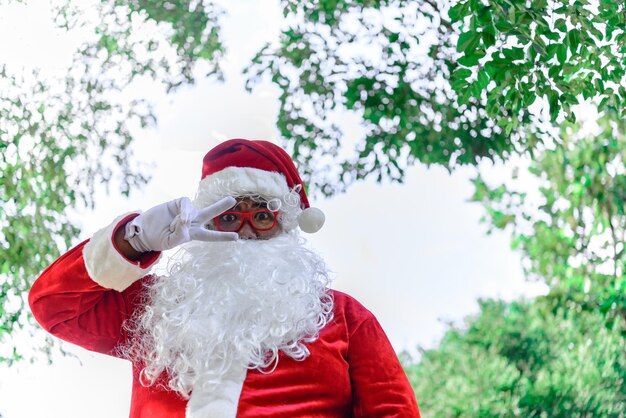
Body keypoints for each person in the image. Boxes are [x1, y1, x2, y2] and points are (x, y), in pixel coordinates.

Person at [29, 138, 421, 418]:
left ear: (284, 225)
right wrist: (137, 238)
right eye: (229, 217)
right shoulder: (156, 310)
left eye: (262, 216)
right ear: (205, 224)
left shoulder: (342, 316)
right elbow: (54, 305)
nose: (246, 232)